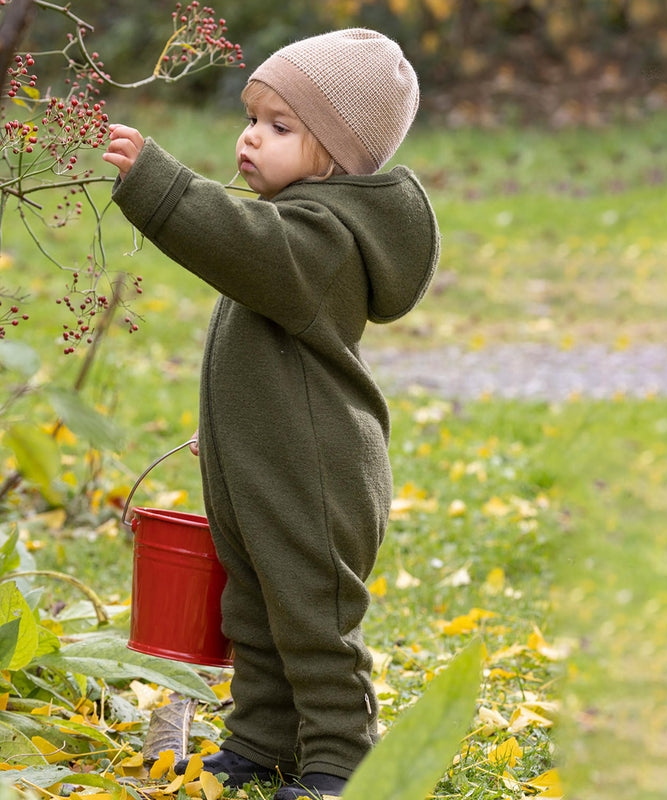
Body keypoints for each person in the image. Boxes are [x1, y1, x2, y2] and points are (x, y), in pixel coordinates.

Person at [104, 28, 439, 800]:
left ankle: (343, 753)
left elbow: (237, 241)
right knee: (252, 605)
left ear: (338, 155)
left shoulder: (320, 239)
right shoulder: (297, 222)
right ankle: (261, 739)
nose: (252, 137)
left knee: (313, 619)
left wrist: (161, 185)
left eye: (281, 127)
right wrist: (221, 429)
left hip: (314, 470)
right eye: (253, 117)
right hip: (266, 459)